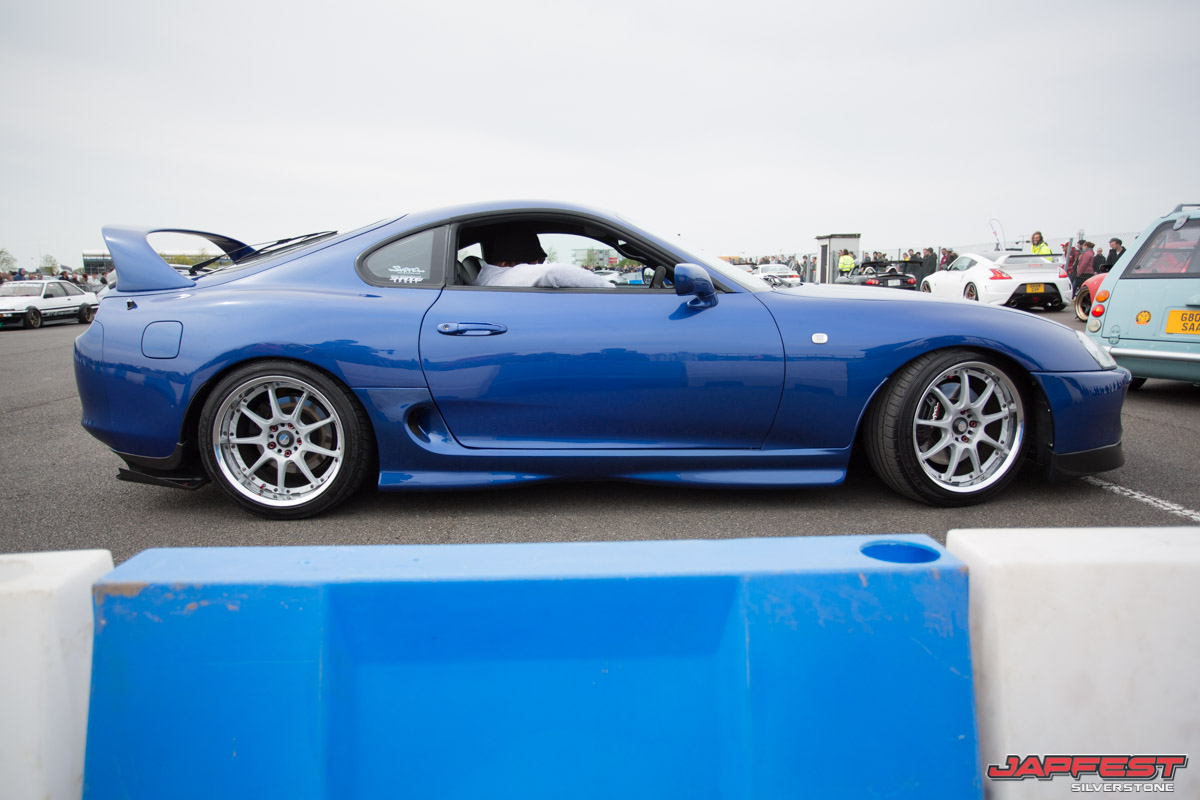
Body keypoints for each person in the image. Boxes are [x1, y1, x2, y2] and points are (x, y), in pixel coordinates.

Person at [475, 228, 614, 288]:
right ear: (508, 263)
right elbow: (552, 273)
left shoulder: (488, 277)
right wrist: (608, 287)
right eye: (536, 262)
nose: (538, 265)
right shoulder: (503, 277)